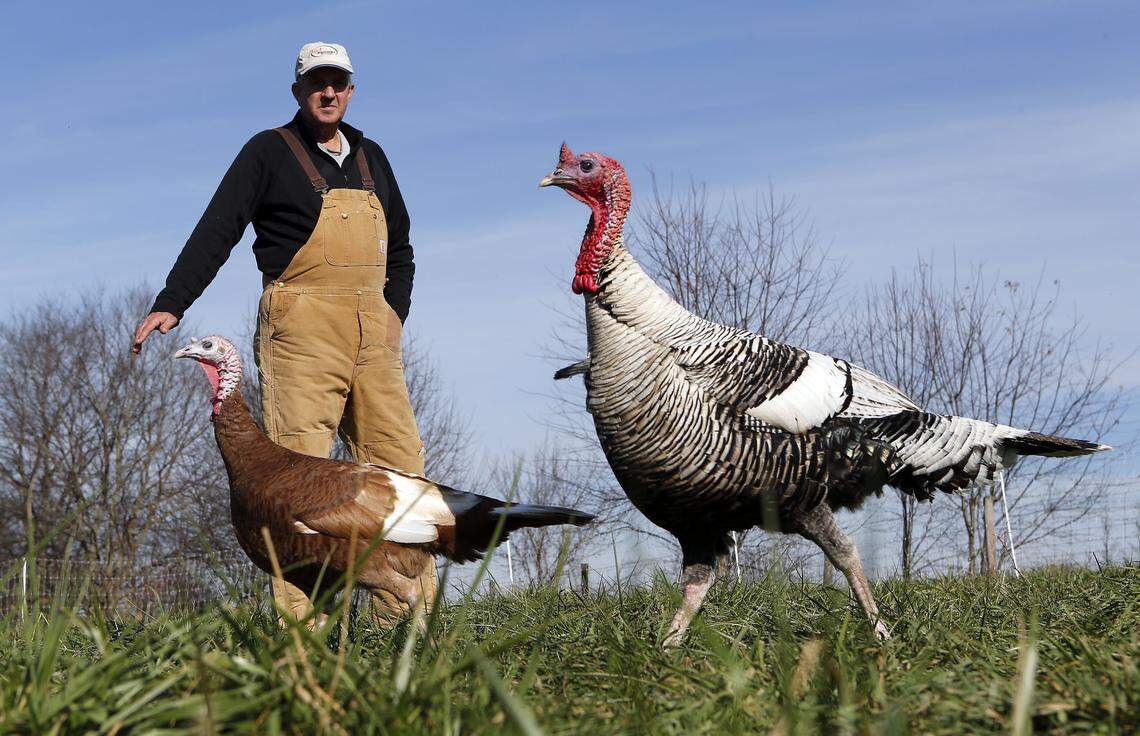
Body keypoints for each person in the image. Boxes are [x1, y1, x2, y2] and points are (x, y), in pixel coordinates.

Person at [132, 41, 436, 624]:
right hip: (301, 330)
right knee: (293, 481)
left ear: (351, 90)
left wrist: (393, 314)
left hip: (375, 333)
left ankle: (401, 624)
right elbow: (216, 227)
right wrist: (174, 301)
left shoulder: (374, 157)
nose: (328, 93)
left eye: (338, 82)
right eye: (316, 83)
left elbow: (401, 250)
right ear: (298, 91)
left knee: (400, 471)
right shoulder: (268, 152)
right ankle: (304, 631)